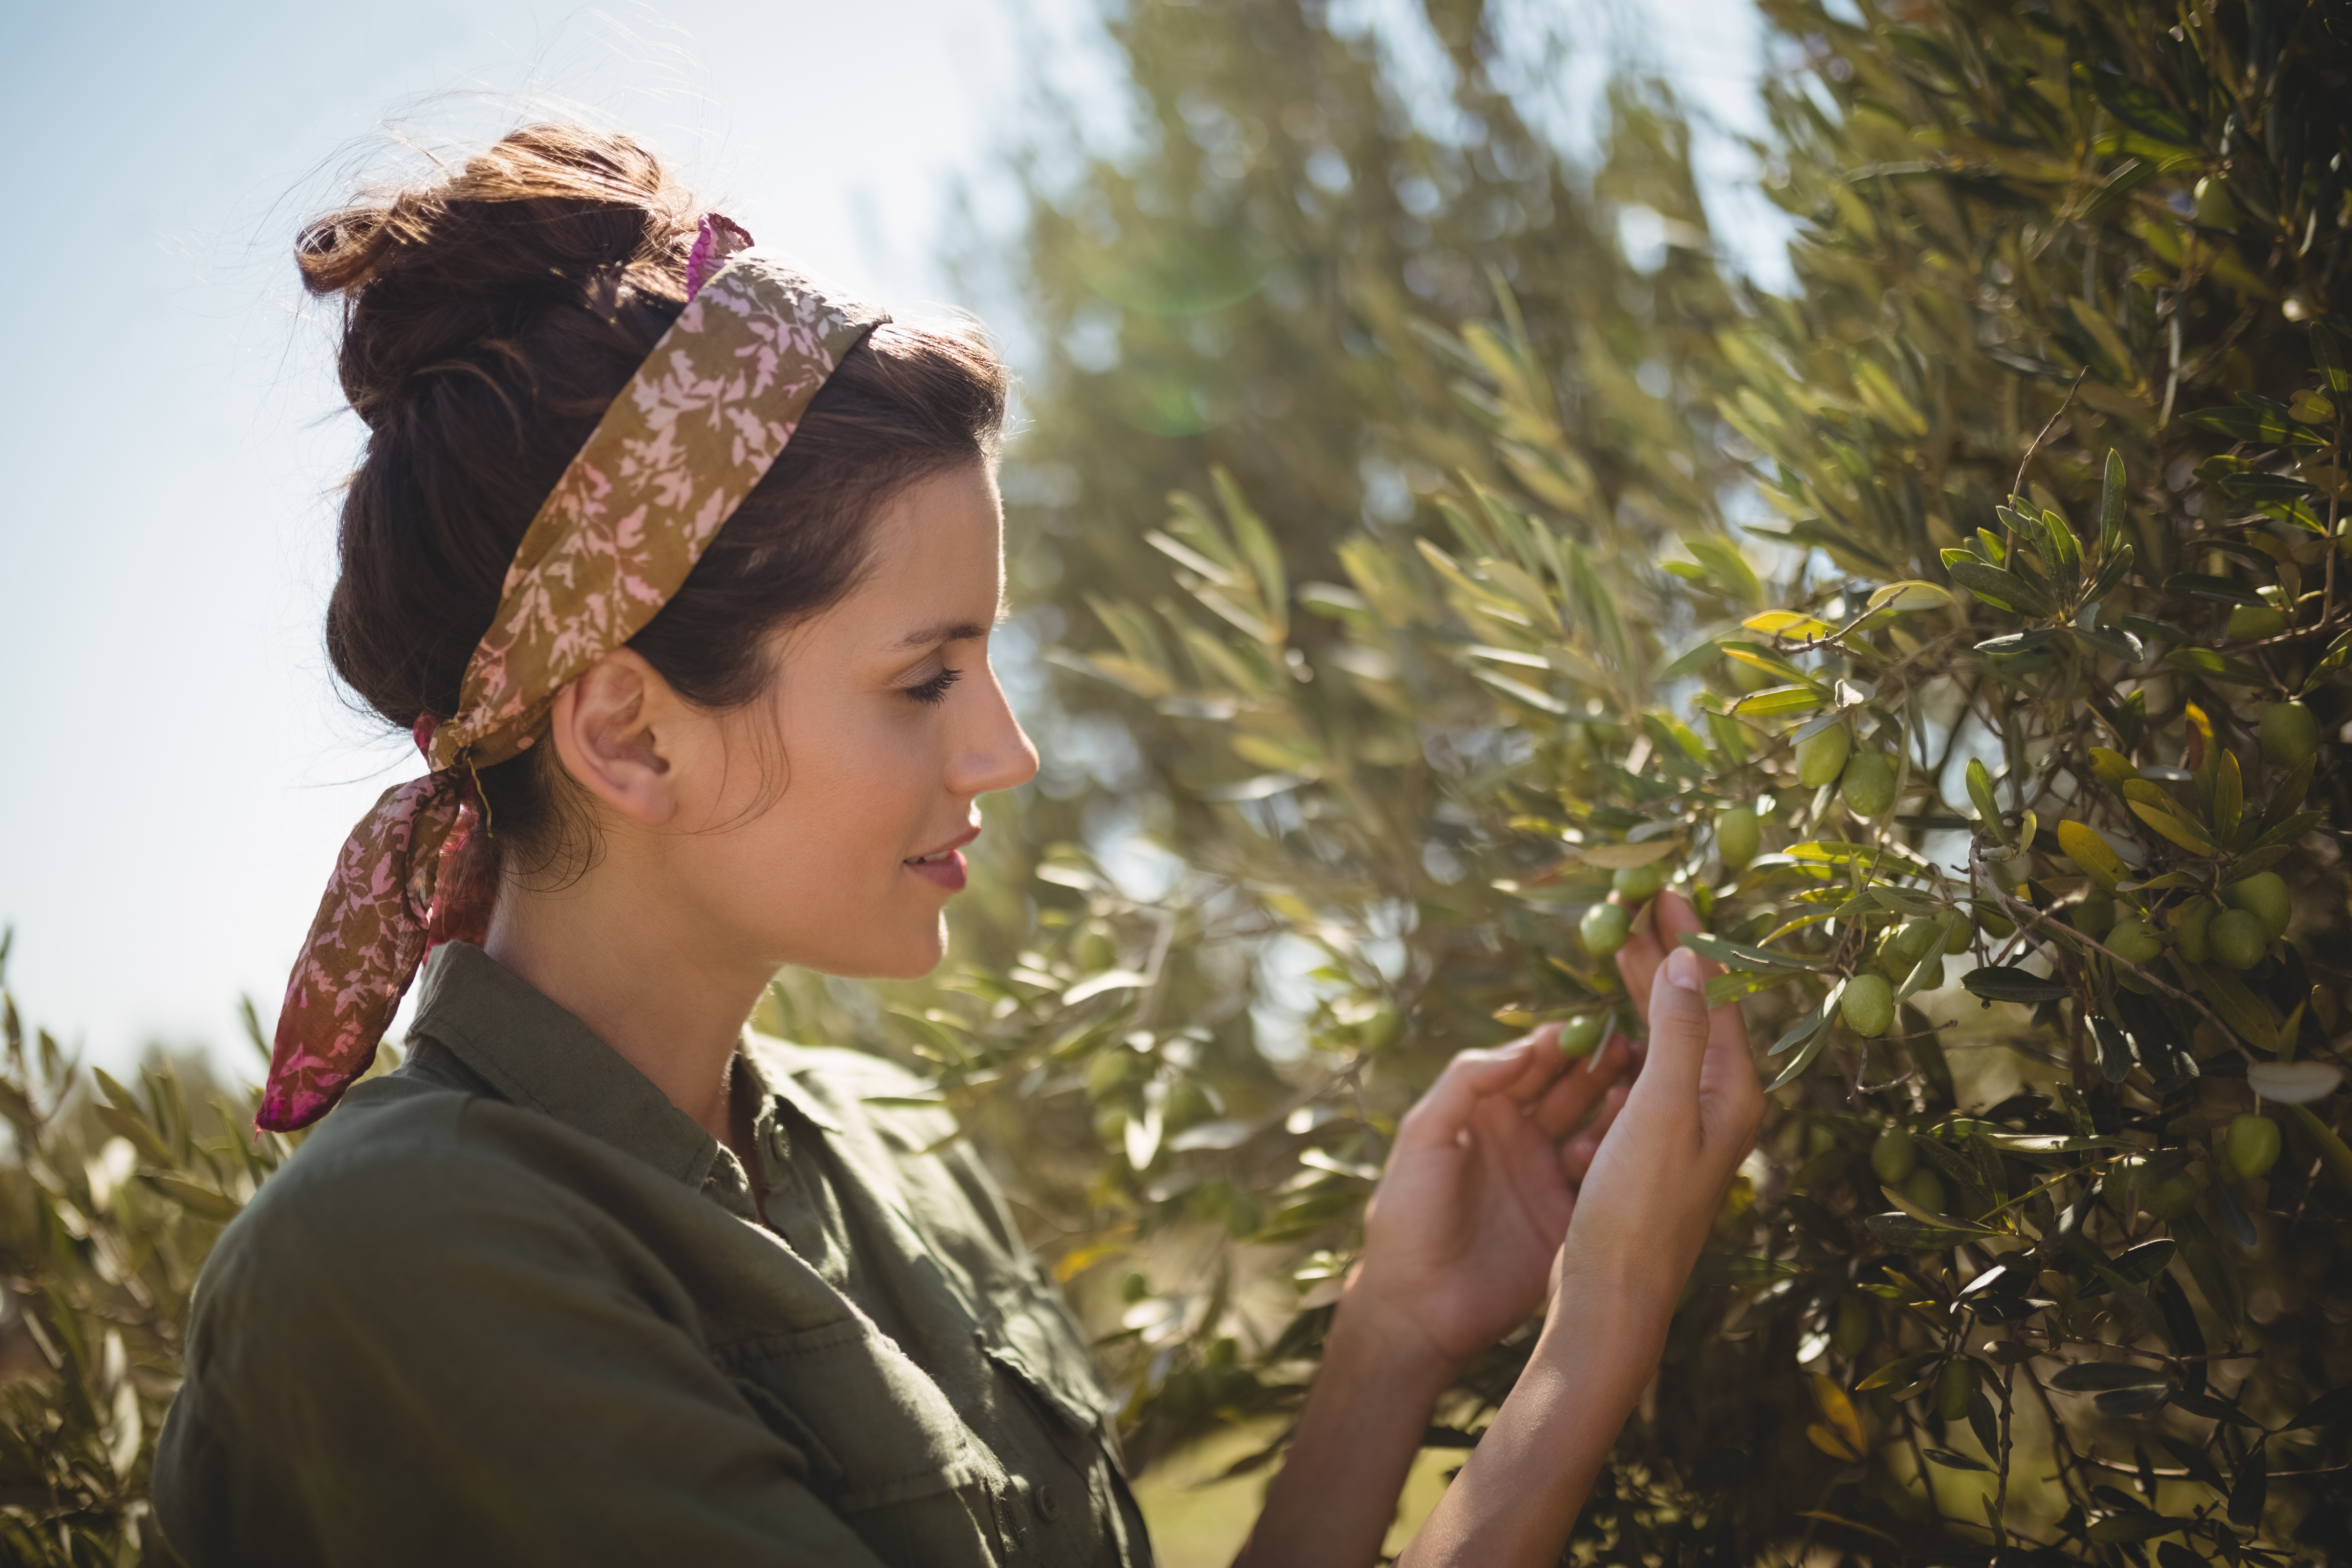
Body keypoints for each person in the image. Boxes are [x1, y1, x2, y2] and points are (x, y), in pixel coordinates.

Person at [153, 123, 1764, 1568]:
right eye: (926, 678)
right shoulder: (410, 1264)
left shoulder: (891, 1147)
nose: (1008, 750)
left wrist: (1394, 1339)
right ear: (629, 732)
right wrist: (1590, 1347)